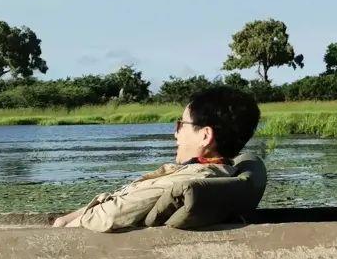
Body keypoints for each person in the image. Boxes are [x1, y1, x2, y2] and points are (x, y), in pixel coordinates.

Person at [52, 85, 261, 232]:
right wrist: (65, 219)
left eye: (181, 125)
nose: (176, 134)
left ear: (205, 136)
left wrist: (63, 227)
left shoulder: (186, 180)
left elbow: (111, 215)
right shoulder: (213, 171)